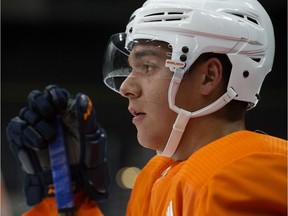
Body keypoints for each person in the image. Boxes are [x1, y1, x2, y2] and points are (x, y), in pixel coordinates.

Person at [6, 0, 287, 215]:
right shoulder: (157, 177)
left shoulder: (242, 178)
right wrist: (67, 197)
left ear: (208, 77)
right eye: (131, 69)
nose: (127, 87)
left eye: (147, 67)